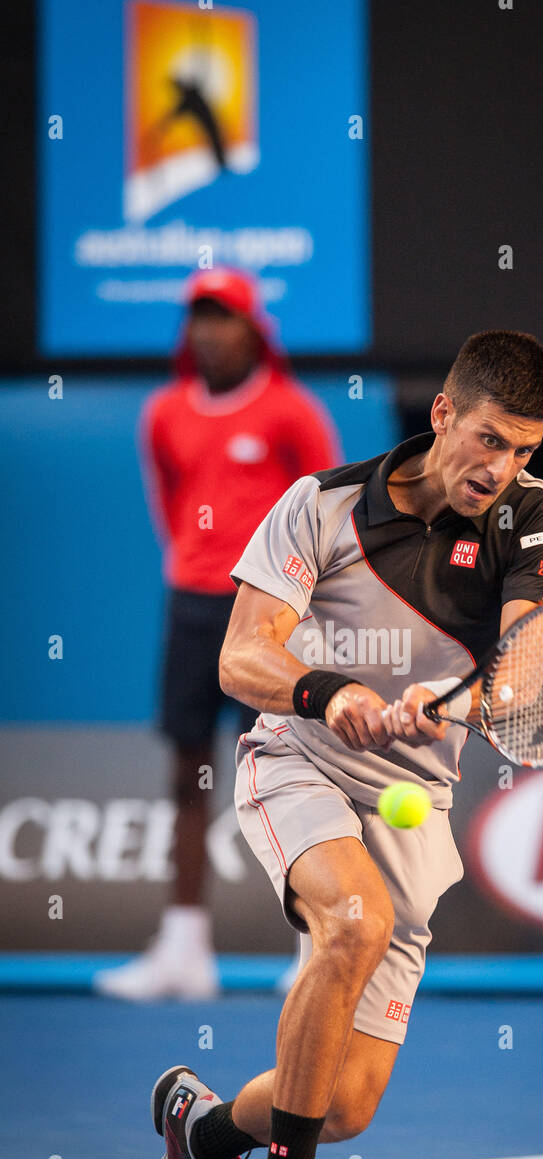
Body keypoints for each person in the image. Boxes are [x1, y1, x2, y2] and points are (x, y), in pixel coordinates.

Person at [150, 330, 543, 1159]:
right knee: (353, 918)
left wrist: (456, 701)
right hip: (296, 762)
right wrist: (325, 690)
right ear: (442, 415)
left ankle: (204, 1134)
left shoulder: (533, 521)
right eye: (489, 441)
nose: (501, 468)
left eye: (523, 451)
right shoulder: (322, 505)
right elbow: (241, 657)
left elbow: (522, 686)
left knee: (341, 1105)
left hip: (412, 796)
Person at [95, 268, 341, 1001]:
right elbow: (171, 512)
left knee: (289, 780)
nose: (207, 330)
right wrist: (200, 569)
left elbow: (323, 516)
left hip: (271, 618)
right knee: (186, 773)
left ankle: (310, 952)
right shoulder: (163, 413)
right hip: (193, 610)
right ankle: (183, 950)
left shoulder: (292, 412)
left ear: (252, 329)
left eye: (223, 316)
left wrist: (295, 605)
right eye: (197, 316)